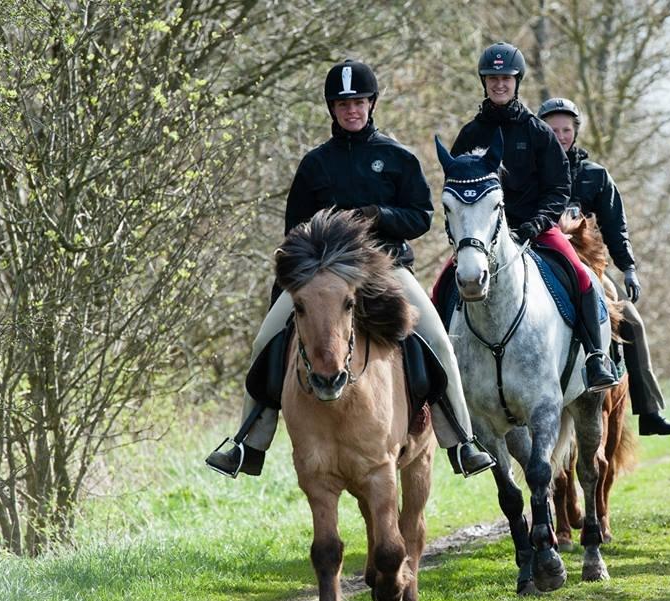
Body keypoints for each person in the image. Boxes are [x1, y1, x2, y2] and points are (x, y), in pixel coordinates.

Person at [205, 60, 496, 477]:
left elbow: (421, 217)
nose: (351, 110)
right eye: (343, 104)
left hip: (386, 271)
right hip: (322, 279)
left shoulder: (397, 157)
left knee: (437, 341)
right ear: (331, 109)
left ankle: (462, 442)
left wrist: (379, 214)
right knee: (264, 341)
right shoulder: (314, 165)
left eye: (358, 102)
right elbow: (293, 231)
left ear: (371, 103)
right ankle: (247, 442)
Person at [446, 42, 619, 393]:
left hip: (535, 230)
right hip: (483, 237)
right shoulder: (470, 134)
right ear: (484, 82)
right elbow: (456, 187)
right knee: (442, 287)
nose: (499, 84)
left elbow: (559, 186)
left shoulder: (537, 132)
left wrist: (539, 222)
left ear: (516, 81)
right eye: (492, 78)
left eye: (505, 78)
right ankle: (445, 369)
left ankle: (597, 357)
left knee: (582, 277)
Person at [537, 97, 670, 436]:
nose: (560, 135)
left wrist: (628, 266)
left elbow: (616, 227)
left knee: (631, 321)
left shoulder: (595, 176)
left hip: (585, 264)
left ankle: (647, 410)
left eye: (566, 130)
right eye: (552, 129)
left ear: (576, 132)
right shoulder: (527, 172)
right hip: (536, 260)